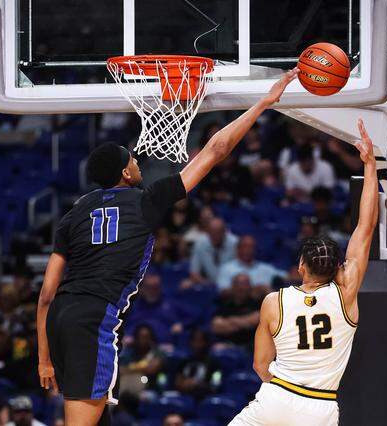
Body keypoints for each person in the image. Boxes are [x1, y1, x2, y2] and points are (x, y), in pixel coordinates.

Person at [36, 68, 300, 425]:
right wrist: (264, 102)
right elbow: (214, 151)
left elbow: (46, 295)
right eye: (130, 158)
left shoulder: (74, 212)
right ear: (125, 174)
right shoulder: (146, 199)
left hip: (61, 317)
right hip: (93, 319)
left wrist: (43, 357)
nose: (136, 160)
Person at [229, 119, 379, 425]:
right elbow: (365, 228)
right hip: (319, 407)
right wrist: (370, 165)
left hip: (277, 397)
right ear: (339, 268)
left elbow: (260, 365)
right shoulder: (346, 291)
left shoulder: (274, 301)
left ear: (300, 267)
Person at [217, 236, 287, 291]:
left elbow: (286, 276)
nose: (248, 250)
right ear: (238, 249)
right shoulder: (226, 269)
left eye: (251, 247)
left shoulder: (266, 269)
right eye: (245, 246)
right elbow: (223, 291)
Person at [211, 274, 261, 348]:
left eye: (244, 284)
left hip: (251, 345)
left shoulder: (257, 303)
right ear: (232, 286)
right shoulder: (224, 303)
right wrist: (245, 322)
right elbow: (216, 327)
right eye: (237, 284)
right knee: (217, 349)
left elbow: (255, 321)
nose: (240, 288)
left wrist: (230, 321)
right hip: (228, 343)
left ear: (250, 287)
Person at [118, 324, 165, 399]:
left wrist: (131, 368)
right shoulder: (130, 352)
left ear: (151, 338)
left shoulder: (157, 352)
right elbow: (119, 370)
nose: (143, 340)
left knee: (137, 379)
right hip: (129, 385)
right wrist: (141, 367)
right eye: (140, 337)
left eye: (146, 337)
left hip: (151, 389)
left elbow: (151, 369)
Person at [189, 217, 238, 285]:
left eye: (218, 233)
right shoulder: (200, 243)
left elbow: (242, 269)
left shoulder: (235, 243)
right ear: (207, 232)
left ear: (225, 232)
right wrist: (208, 285)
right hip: (208, 284)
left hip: (231, 285)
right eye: (212, 233)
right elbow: (194, 273)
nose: (215, 236)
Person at [174, 329, 220, 399]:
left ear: (206, 343)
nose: (197, 345)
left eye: (200, 341)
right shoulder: (185, 361)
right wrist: (184, 384)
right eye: (194, 341)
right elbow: (177, 381)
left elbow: (215, 386)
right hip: (183, 395)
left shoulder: (213, 363)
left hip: (204, 397)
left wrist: (197, 384)